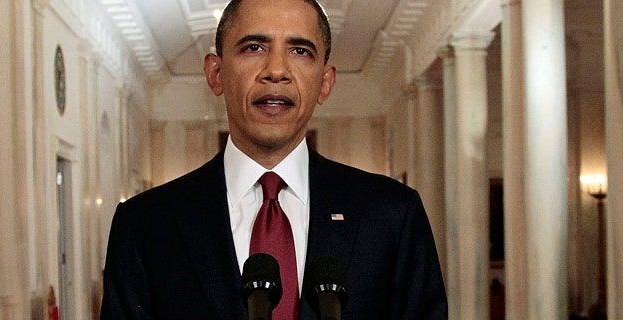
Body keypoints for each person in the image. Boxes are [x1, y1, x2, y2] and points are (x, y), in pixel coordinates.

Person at [100, 0, 447, 318]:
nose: (276, 70)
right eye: (254, 47)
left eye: (300, 50)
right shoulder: (144, 225)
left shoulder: (393, 214)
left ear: (325, 83)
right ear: (216, 74)